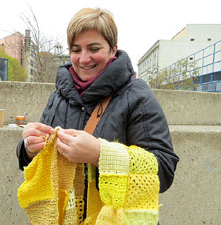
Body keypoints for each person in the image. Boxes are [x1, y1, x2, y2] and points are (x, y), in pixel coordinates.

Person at [16, 7, 179, 224]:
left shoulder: (137, 95)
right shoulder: (59, 95)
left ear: (113, 49)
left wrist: (99, 154)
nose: (83, 59)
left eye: (94, 48)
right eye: (76, 49)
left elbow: (164, 171)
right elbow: (37, 163)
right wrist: (28, 148)